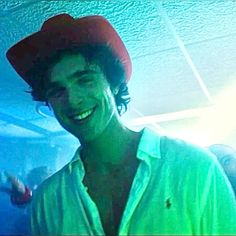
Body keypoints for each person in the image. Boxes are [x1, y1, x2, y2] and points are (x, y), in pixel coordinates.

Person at [6, 13, 236, 235]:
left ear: (114, 85)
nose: (73, 100)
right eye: (57, 91)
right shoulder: (48, 200)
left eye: (85, 80)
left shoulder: (194, 167)